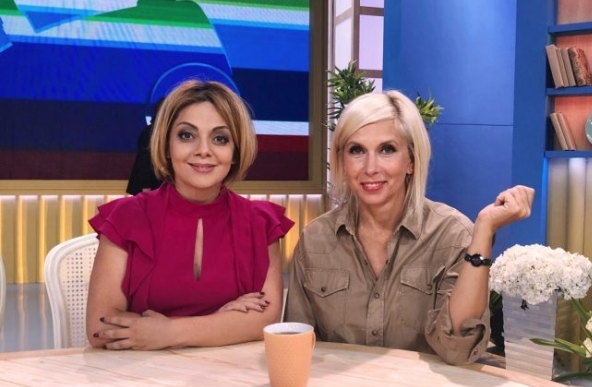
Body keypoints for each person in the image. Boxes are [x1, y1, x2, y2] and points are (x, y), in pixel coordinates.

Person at [284, 90, 534, 365]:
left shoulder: (451, 234)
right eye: (357, 150)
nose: (370, 167)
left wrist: (483, 230)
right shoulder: (316, 238)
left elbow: (458, 348)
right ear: (342, 159)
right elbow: (295, 347)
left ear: (411, 161)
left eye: (387, 150)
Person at [87, 79, 294, 350]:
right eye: (187, 135)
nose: (203, 150)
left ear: (235, 151)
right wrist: (221, 323)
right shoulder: (125, 218)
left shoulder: (261, 223)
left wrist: (168, 332)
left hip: (232, 372)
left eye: (220, 138)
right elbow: (101, 328)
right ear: (166, 144)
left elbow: (264, 321)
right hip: (140, 372)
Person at [126, 99, 163, 195]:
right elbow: (144, 160)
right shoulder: (150, 132)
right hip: (149, 187)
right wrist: (146, 187)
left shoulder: (166, 132)